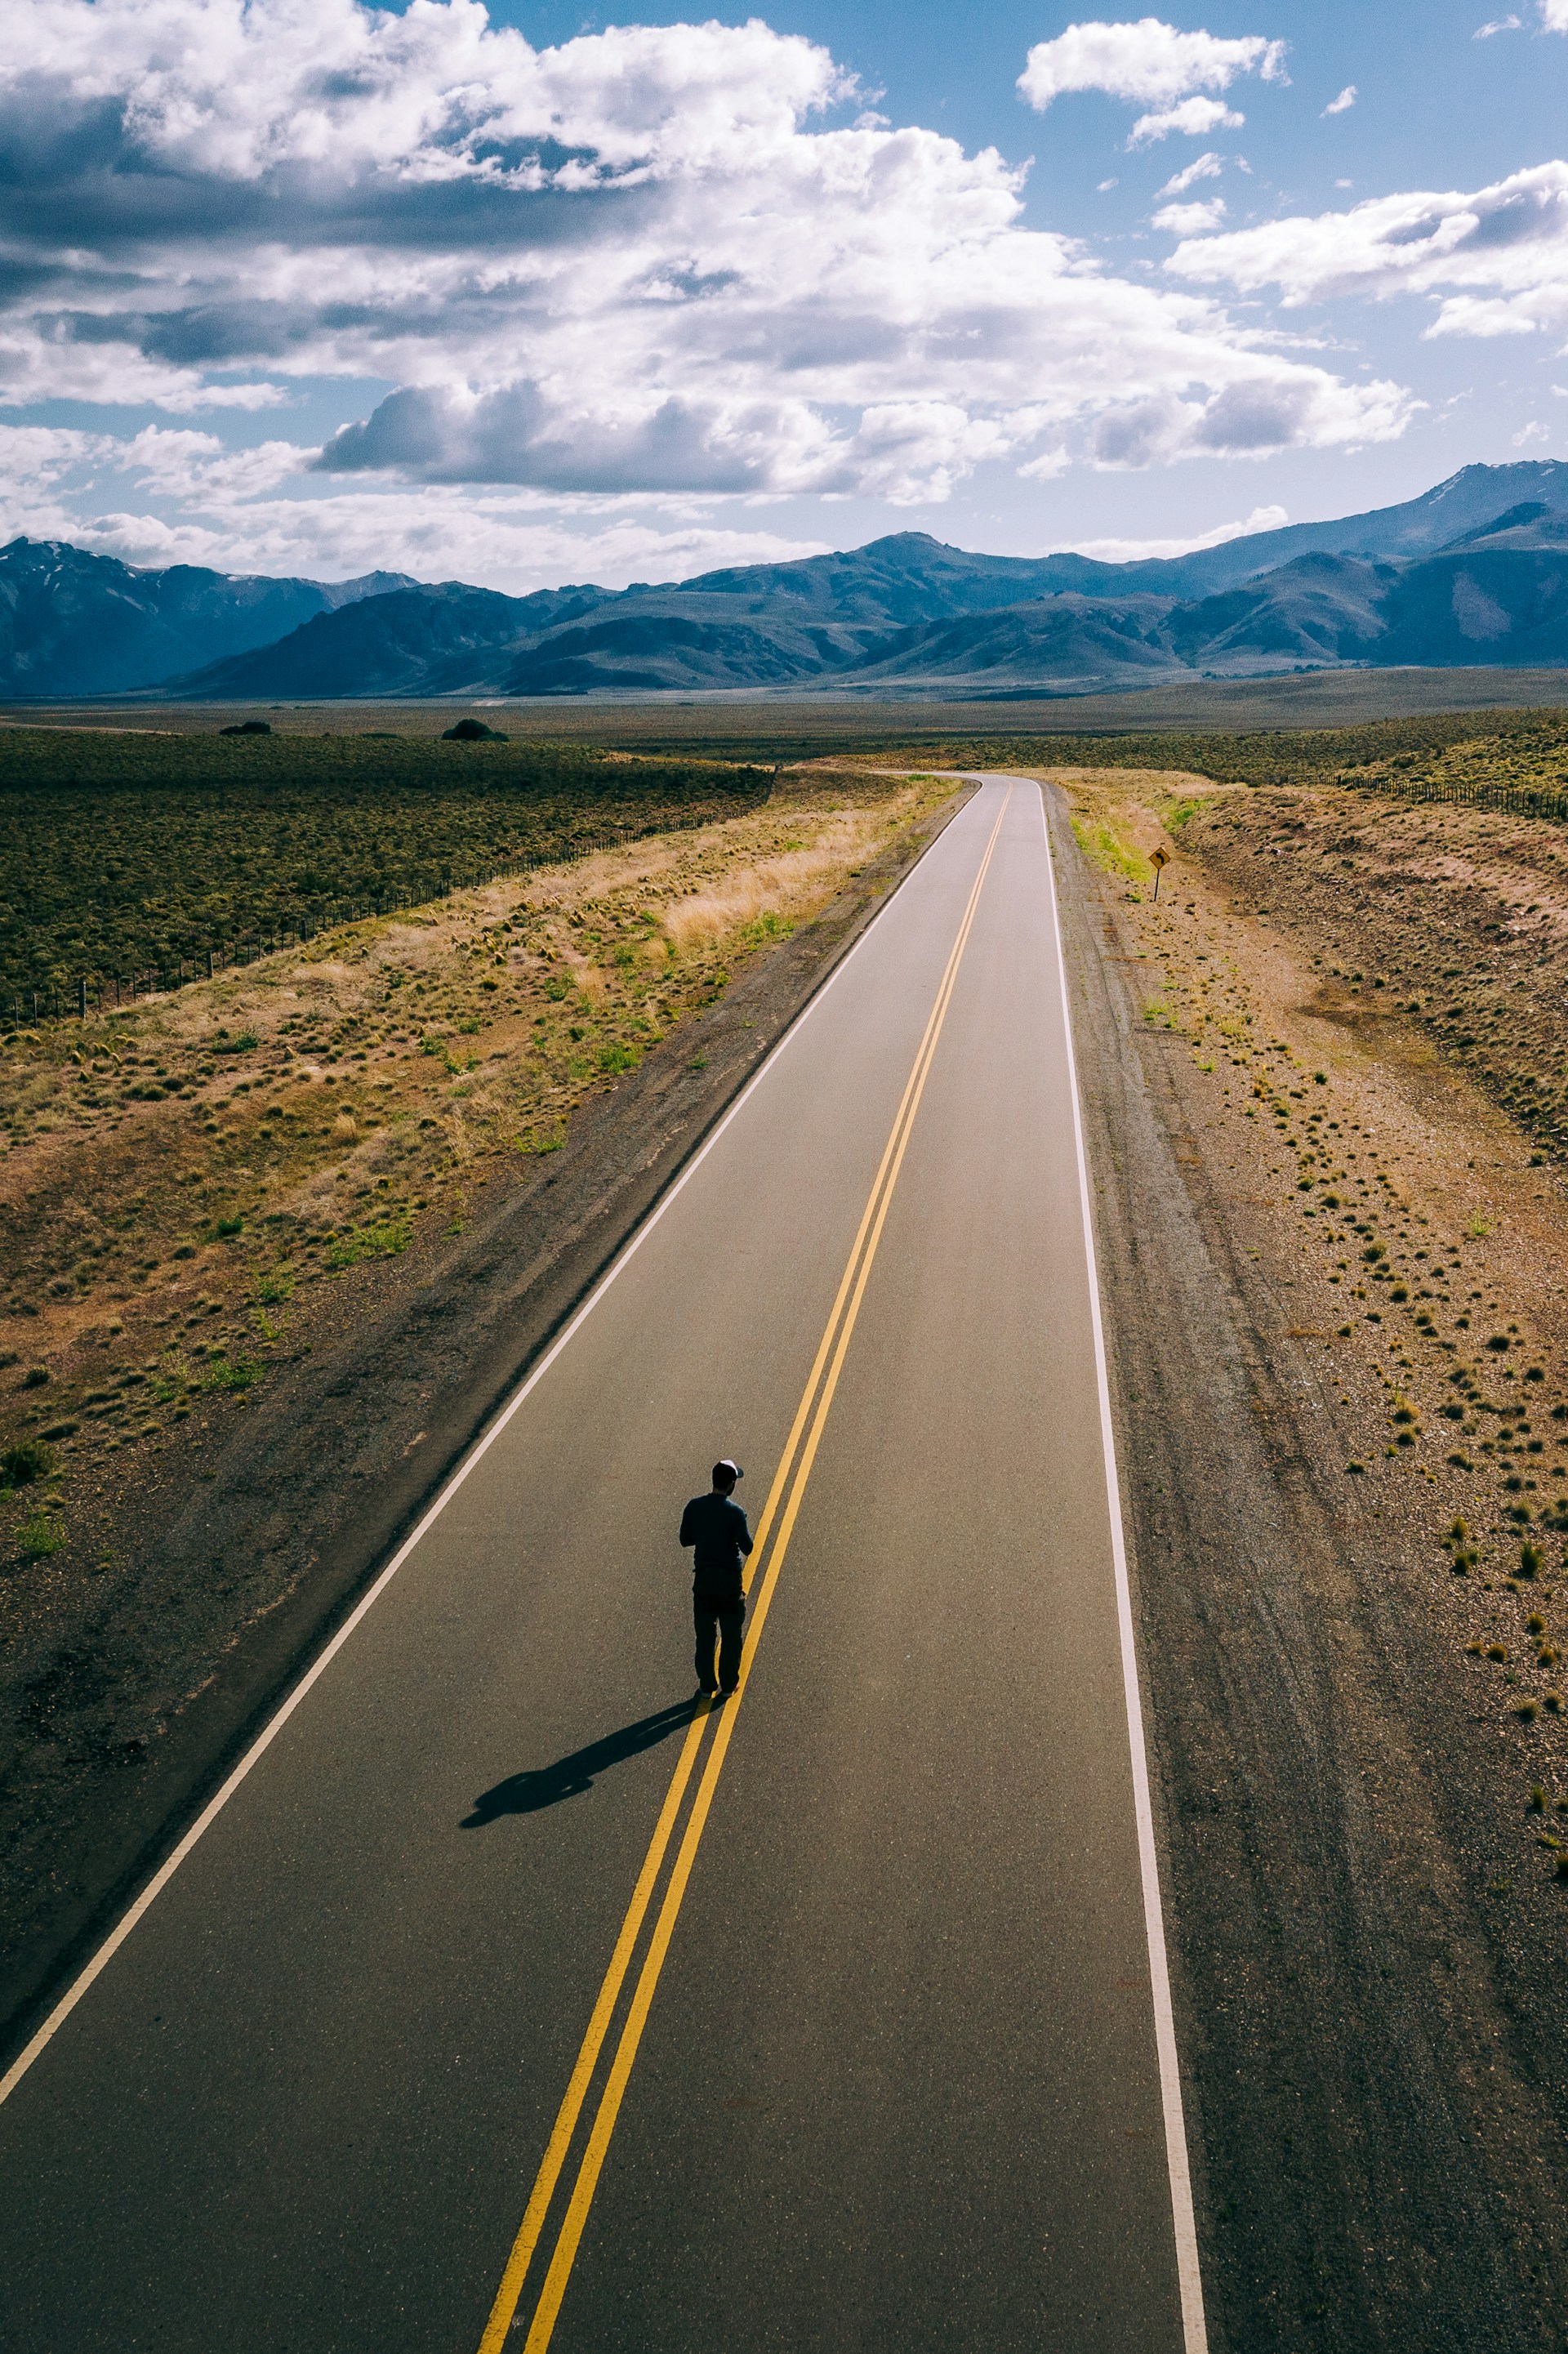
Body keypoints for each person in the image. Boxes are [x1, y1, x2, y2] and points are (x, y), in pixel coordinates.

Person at [679, 1459, 752, 1699]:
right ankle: (728, 1686)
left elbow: (685, 1539)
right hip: (729, 1582)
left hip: (704, 1580)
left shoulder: (694, 1506)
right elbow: (748, 1547)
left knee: (705, 1635)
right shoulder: (735, 1512)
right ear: (731, 1484)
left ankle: (706, 1686)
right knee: (731, 1636)